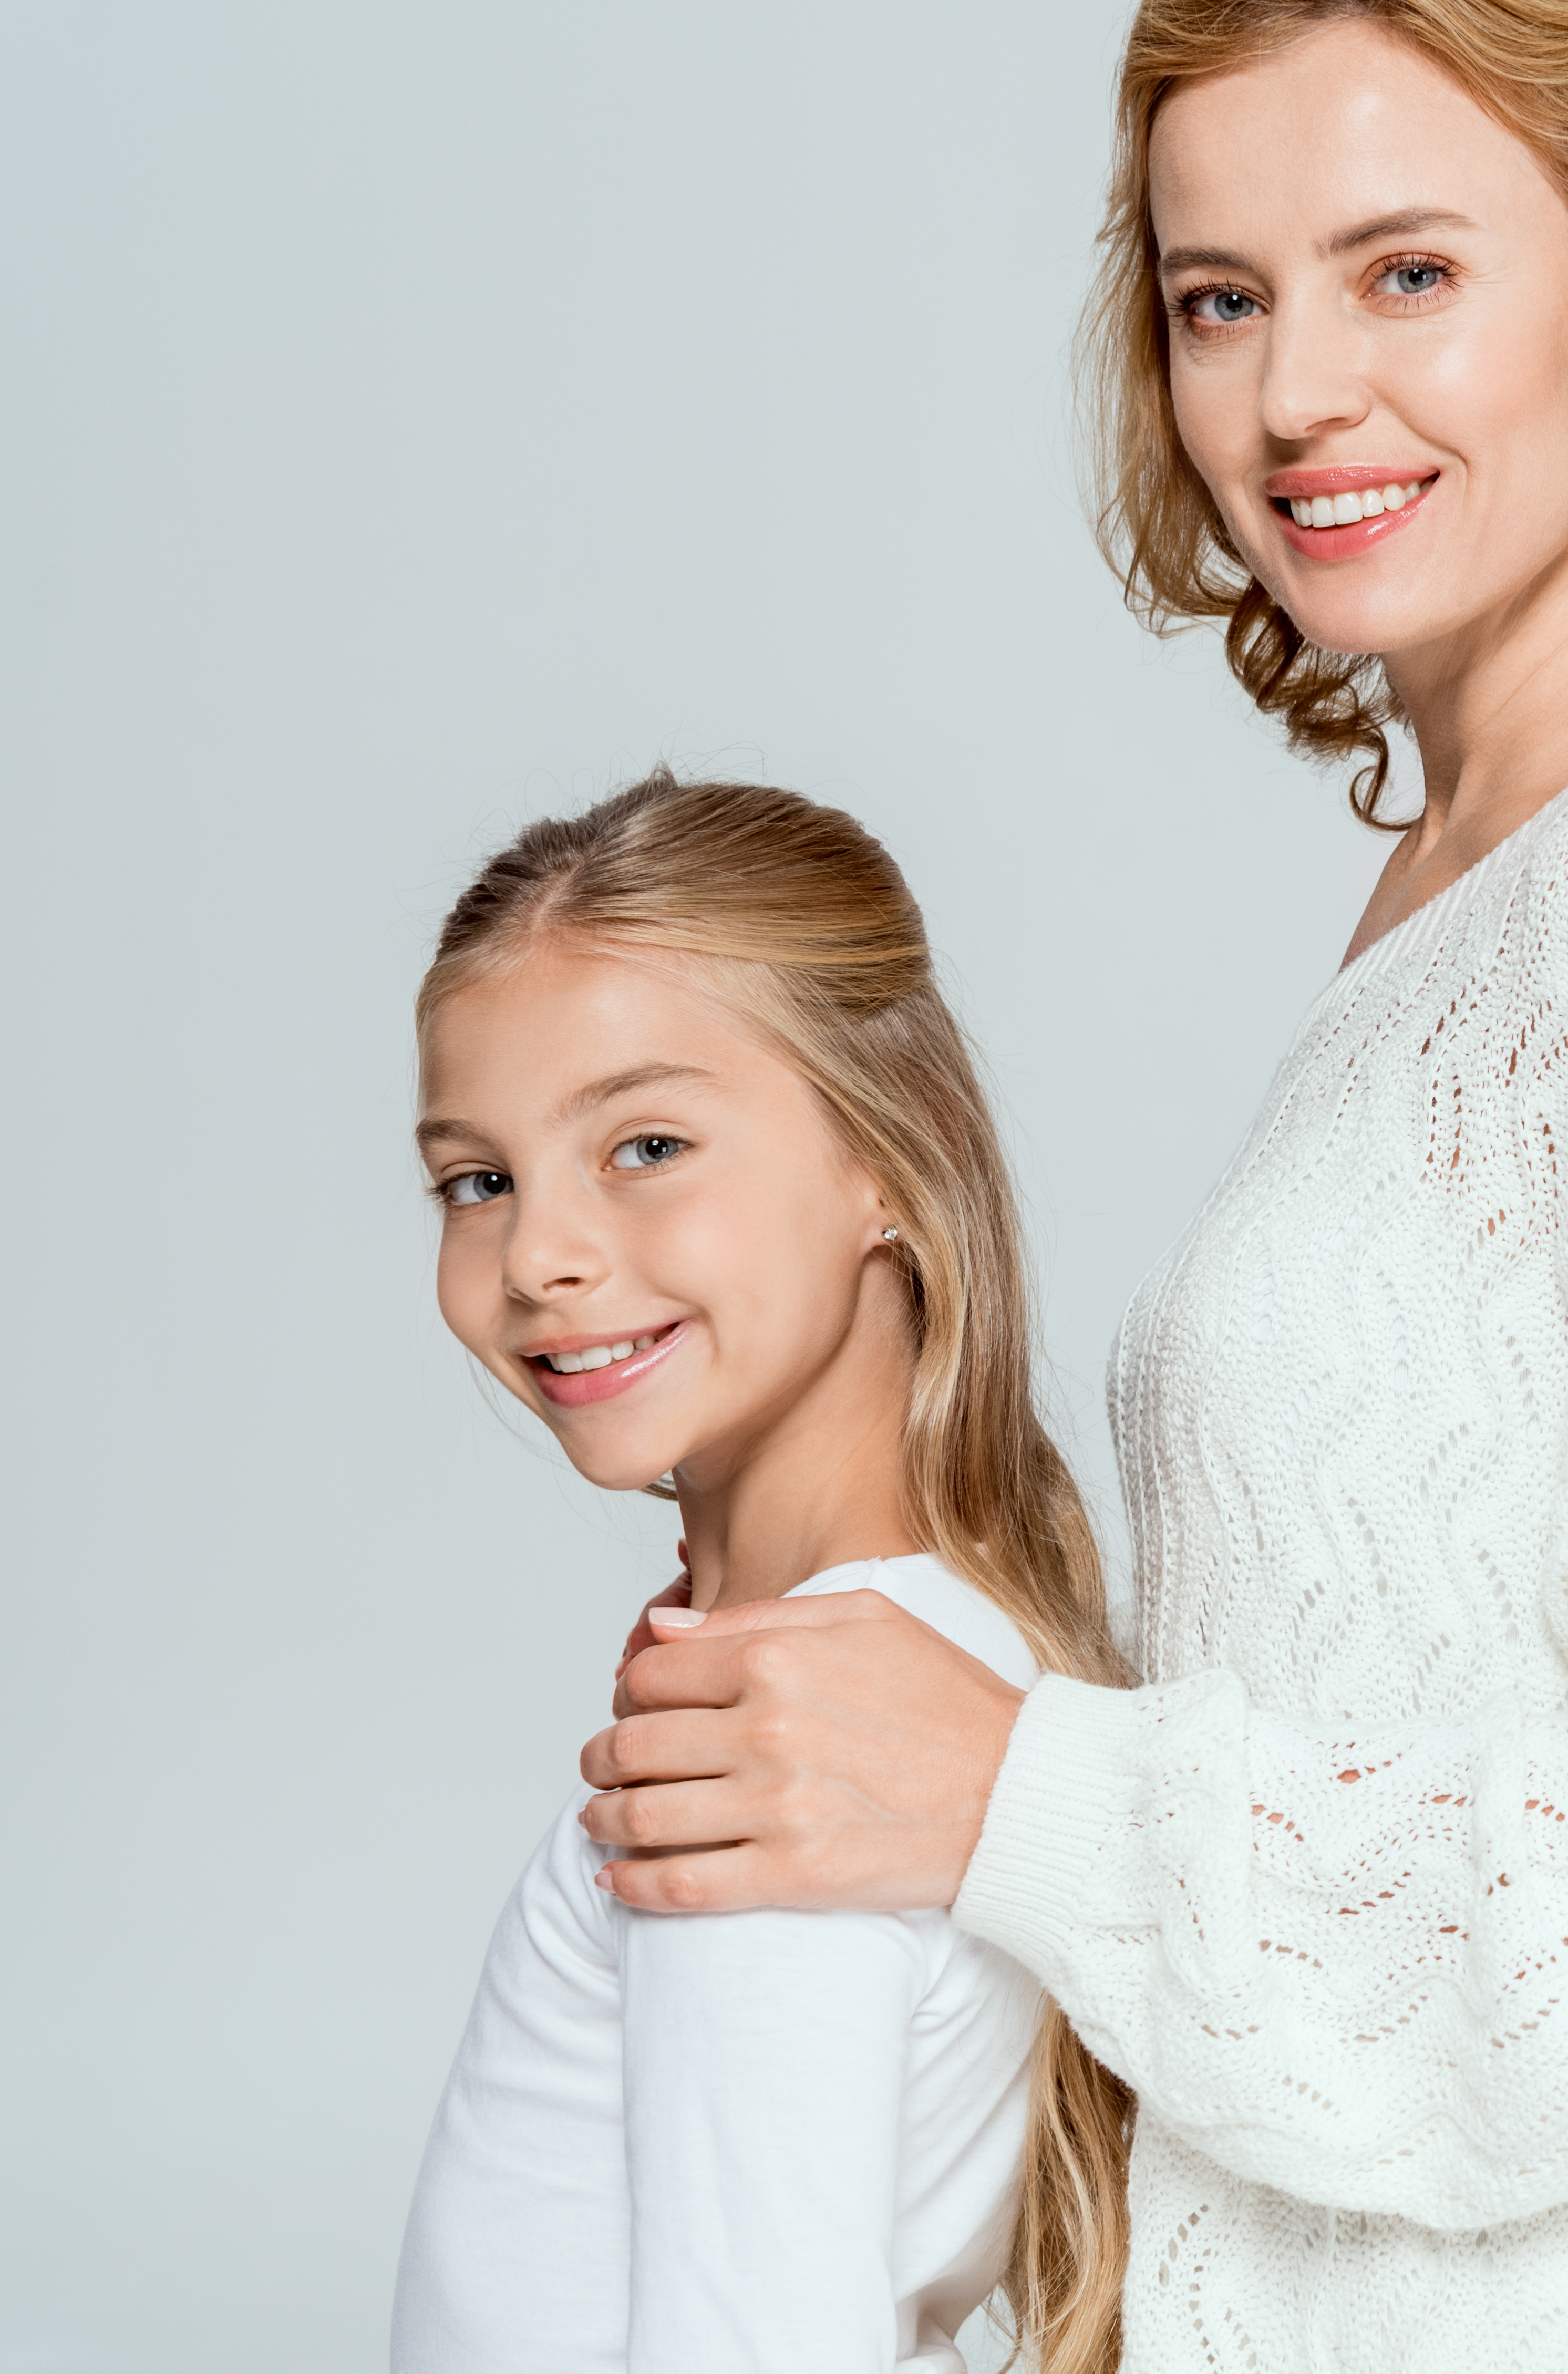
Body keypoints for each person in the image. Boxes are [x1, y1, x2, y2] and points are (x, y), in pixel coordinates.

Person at [570, 0, 1568, 2373]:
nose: (1290, 399)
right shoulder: (1471, 898)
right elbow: (1413, 1678)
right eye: (1218, 298)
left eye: (1408, 274)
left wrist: (1014, 1791)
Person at [390, 772, 1131, 2374]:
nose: (537, 1257)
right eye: (478, 1178)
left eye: (645, 1143)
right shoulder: (932, 1661)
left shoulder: (792, 1745)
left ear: (889, 1159)